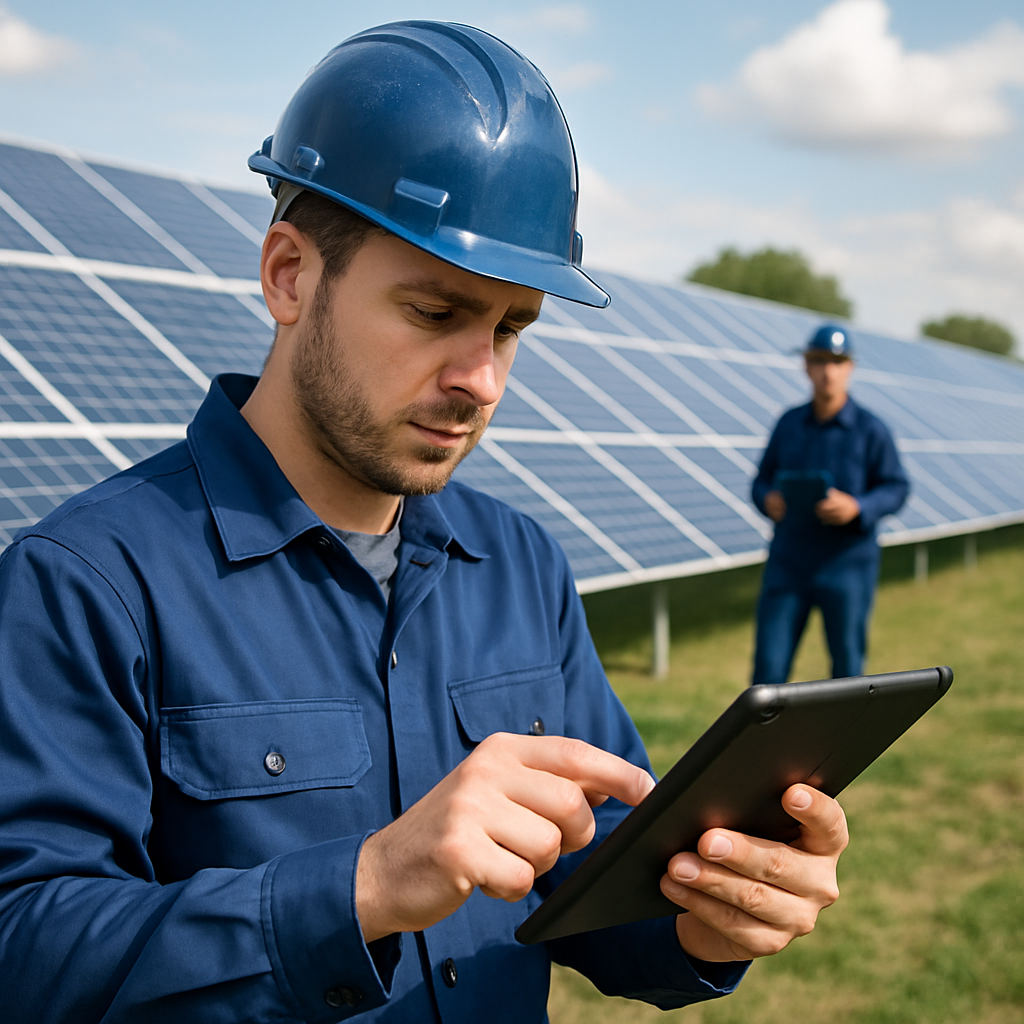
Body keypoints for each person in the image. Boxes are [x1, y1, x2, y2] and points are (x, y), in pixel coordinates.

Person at [0, 23, 848, 1023]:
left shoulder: (519, 566)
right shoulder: (86, 582)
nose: (480, 378)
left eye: (509, 328)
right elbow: (24, 949)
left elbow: (588, 885)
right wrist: (363, 886)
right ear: (288, 275)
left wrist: (702, 917)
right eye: (434, 312)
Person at [751, 323, 909, 686]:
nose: (828, 371)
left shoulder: (871, 430)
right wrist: (767, 500)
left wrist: (858, 507)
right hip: (788, 563)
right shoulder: (789, 424)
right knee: (769, 671)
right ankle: (767, 745)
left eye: (837, 362)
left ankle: (842, 745)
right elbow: (760, 481)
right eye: (819, 361)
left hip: (847, 567)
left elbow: (896, 487)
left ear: (850, 367)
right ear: (806, 366)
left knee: (847, 673)